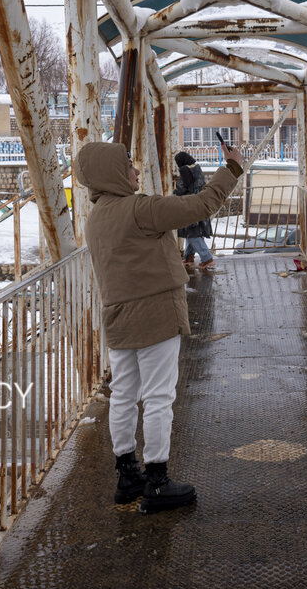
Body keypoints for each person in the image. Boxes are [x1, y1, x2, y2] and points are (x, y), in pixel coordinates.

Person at [74, 140, 246, 513]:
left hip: (118, 317)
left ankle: (128, 475)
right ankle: (157, 480)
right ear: (114, 174)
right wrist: (231, 168)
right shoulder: (140, 209)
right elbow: (201, 205)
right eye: (129, 166)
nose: (136, 172)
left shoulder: (97, 217)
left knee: (123, 395)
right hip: (155, 315)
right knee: (158, 397)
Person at [173, 151, 215, 268]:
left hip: (189, 204)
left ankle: (207, 258)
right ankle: (188, 257)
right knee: (192, 231)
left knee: (192, 233)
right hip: (200, 203)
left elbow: (181, 188)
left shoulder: (185, 170)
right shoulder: (197, 169)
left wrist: (174, 195)